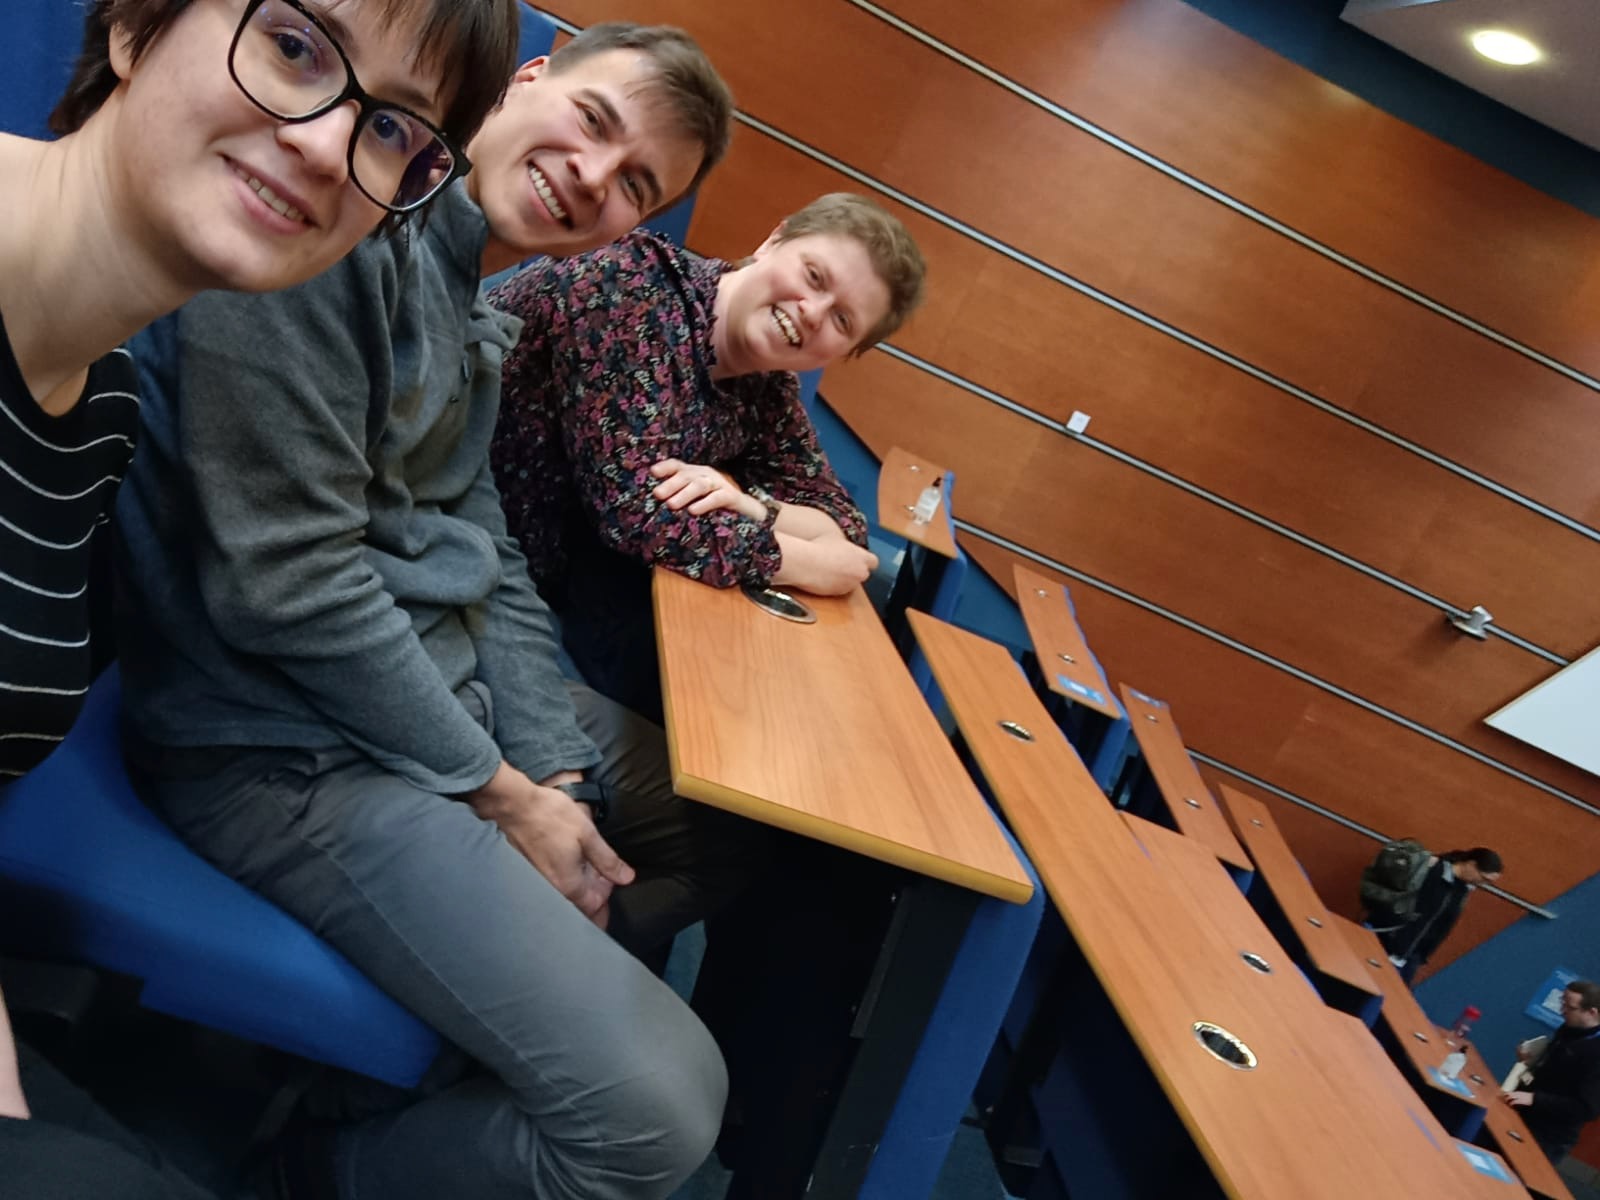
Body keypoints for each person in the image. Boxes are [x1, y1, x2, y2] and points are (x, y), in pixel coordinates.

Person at [114, 22, 744, 1200]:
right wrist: (502, 792)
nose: (592, 178)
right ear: (526, 81)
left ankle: (426, 1049)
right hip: (279, 746)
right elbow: (290, 588)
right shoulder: (331, 228)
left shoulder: (457, 283)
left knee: (714, 831)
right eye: (594, 124)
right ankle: (313, 1167)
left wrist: (552, 773)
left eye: (635, 186)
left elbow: (483, 547)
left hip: (421, 694)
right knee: (659, 1119)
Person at [1, 0, 519, 1195]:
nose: (329, 146)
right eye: (295, 48)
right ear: (137, 25)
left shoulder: (102, 403)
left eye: (391, 129)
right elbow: (294, 580)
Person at [489, 192, 926, 719]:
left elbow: (844, 528)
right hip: (457, 563)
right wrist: (803, 561)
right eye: (813, 276)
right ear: (774, 240)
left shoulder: (765, 389)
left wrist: (751, 505)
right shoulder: (627, 283)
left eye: (842, 320)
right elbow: (635, 515)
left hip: (545, 588)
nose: (812, 313)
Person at [1369, 847, 1502, 982]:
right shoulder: (1432, 869)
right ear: (1471, 865)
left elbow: (1441, 924)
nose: (1483, 884)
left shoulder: (1462, 891)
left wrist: (1423, 955)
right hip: (1386, 939)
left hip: (1411, 955)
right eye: (1483, 878)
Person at [1504, 979, 1600, 1163]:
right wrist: (1532, 1059)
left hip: (1549, 1135)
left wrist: (1536, 1099)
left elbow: (1587, 1109)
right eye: (1562, 1002)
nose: (1562, 1010)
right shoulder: (1569, 1028)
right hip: (1524, 1110)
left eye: (1570, 1007)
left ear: (1592, 1012)